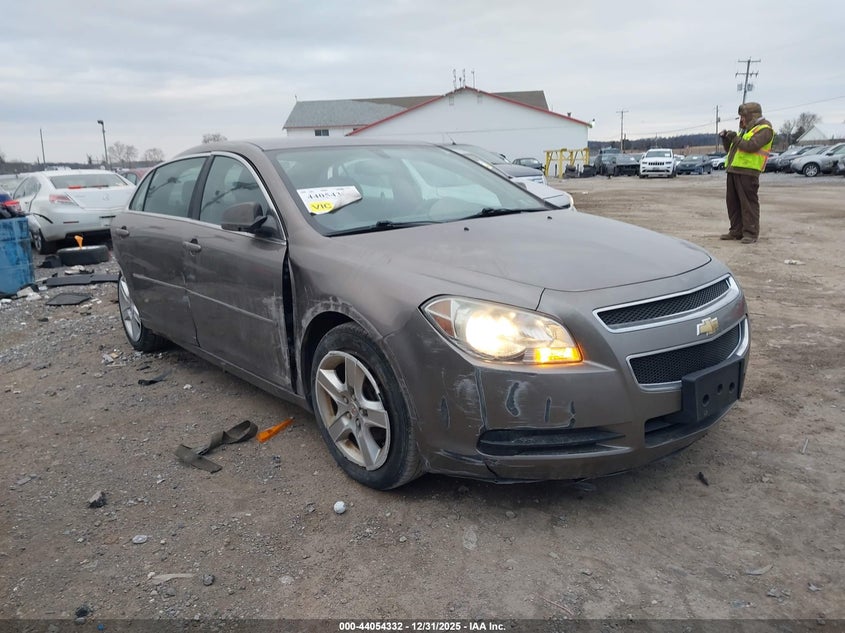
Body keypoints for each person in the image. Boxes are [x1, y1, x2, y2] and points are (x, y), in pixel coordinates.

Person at [718, 102, 774, 244]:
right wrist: (726, 139)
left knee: (748, 204)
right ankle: (736, 231)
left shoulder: (765, 130)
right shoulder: (746, 130)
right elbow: (731, 150)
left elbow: (751, 146)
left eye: (743, 116)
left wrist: (735, 138)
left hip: (749, 173)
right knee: (733, 203)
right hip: (733, 170)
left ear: (752, 116)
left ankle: (750, 233)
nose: (741, 120)